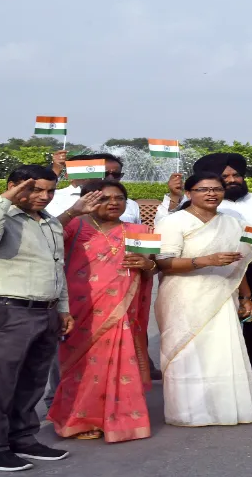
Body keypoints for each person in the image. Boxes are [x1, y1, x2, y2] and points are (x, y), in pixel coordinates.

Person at [0, 165, 75, 471]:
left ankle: (23, 438)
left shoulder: (50, 223)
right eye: (34, 189)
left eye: (49, 191)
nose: (43, 196)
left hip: (46, 311)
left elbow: (58, 268)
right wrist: (6, 199)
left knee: (32, 381)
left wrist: (63, 308)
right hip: (5, 311)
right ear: (14, 187)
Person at [155, 153, 252, 393]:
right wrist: (207, 260)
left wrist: (246, 297)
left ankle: (228, 398)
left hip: (232, 283)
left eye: (218, 188)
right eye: (205, 189)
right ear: (190, 193)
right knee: (189, 349)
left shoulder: (241, 214)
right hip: (185, 292)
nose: (212, 193)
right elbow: (164, 262)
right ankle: (190, 403)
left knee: (224, 346)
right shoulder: (175, 221)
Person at [47, 180, 156, 443]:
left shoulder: (139, 230)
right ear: (88, 201)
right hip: (80, 309)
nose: (113, 203)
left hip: (122, 312)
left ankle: (121, 418)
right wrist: (74, 211)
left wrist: (146, 263)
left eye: (119, 198)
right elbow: (45, 236)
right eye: (104, 198)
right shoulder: (73, 226)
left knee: (121, 362)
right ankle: (79, 419)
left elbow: (153, 267)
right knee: (81, 367)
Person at [47, 152, 141, 224]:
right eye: (105, 173)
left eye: (116, 174)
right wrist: (56, 169)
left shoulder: (131, 205)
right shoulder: (53, 198)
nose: (110, 178)